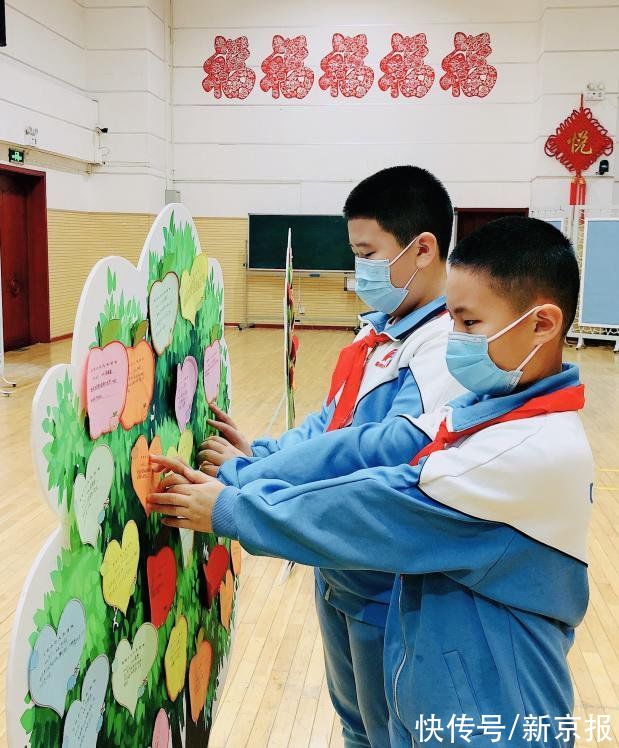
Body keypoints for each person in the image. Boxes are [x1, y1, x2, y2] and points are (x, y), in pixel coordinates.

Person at [149, 216, 593, 748]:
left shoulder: (521, 451)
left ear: (543, 324)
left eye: (470, 324)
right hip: (443, 692)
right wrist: (258, 465)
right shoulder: (488, 408)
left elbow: (375, 502)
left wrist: (233, 506)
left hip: (493, 718)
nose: (455, 340)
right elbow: (345, 439)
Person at [199, 165, 463, 747]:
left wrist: (251, 476)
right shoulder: (378, 333)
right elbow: (331, 422)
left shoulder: (441, 346)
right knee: (353, 723)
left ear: (423, 250)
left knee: (389, 730)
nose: (358, 269)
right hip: (337, 566)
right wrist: (263, 452)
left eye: (368, 254)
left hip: (386, 579)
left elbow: (378, 448)